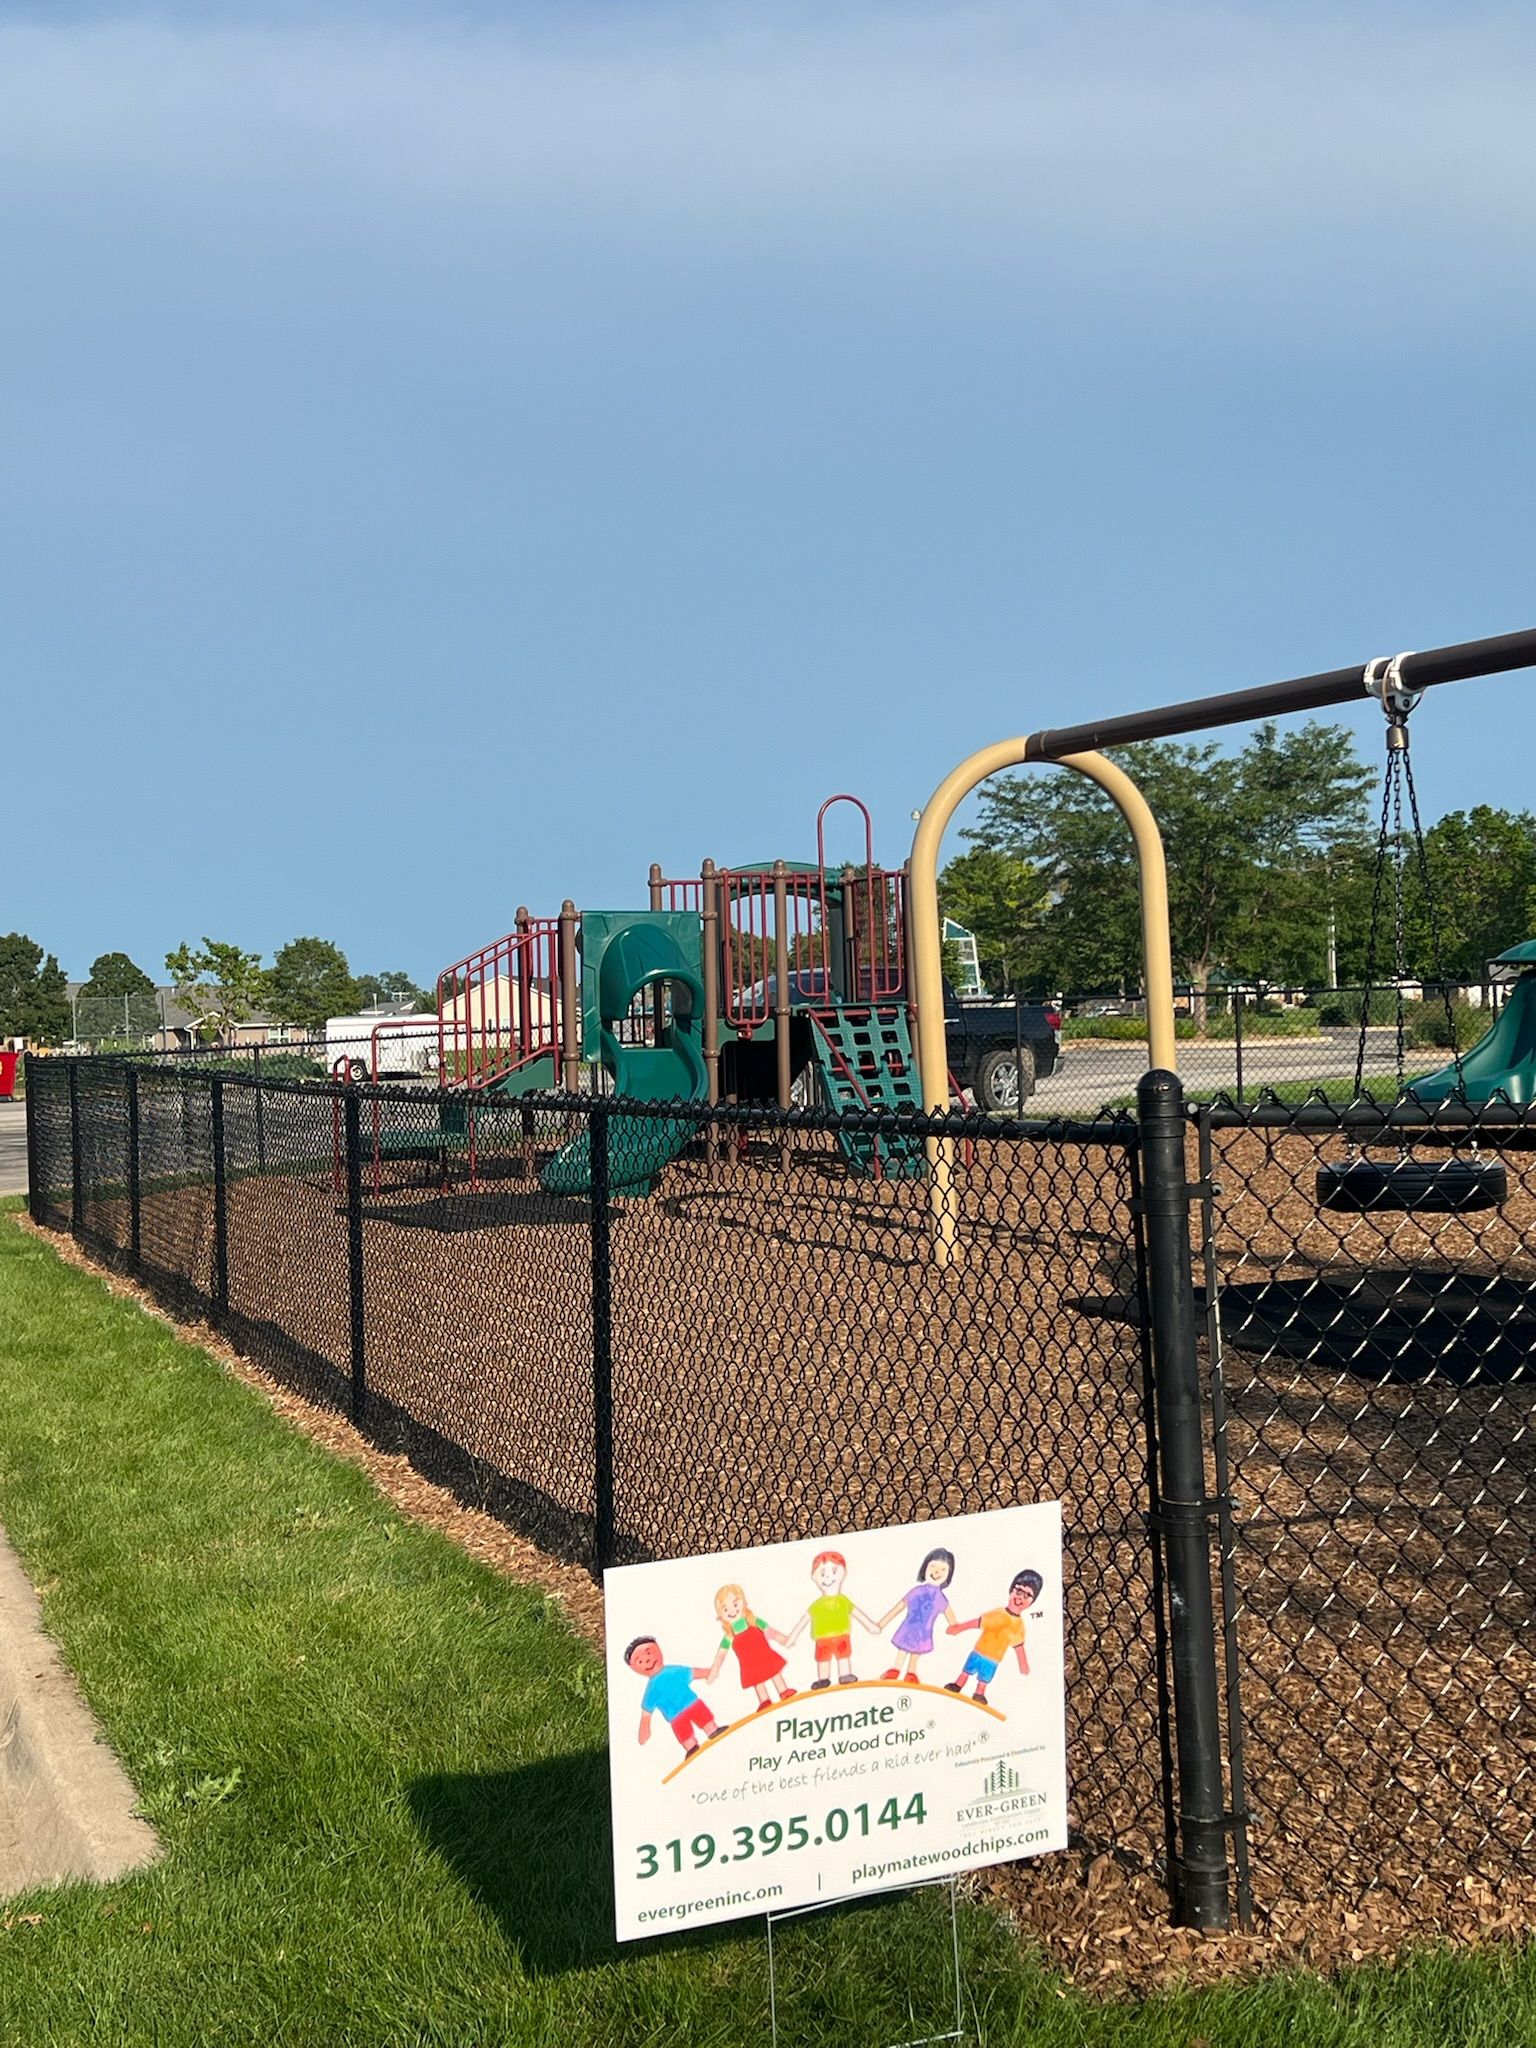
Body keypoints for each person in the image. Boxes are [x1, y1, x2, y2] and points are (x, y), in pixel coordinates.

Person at [944, 1569, 1043, 1705]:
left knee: (984, 1678)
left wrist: (1023, 1663)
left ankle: (979, 1694)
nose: (1020, 1598)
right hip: (978, 1651)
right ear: (1011, 1591)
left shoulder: (1019, 1626)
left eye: (1026, 1596)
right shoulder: (997, 1613)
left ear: (1032, 1602)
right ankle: (958, 1685)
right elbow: (978, 1623)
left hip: (993, 1659)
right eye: (1018, 1591)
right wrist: (959, 1627)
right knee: (967, 1670)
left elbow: (1018, 1646)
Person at [785, 1549, 877, 1689]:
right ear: (815, 1578)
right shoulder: (817, 1605)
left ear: (843, 1573)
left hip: (842, 1635)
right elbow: (803, 1621)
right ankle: (823, 1679)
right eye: (822, 1574)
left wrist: (870, 1625)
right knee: (823, 1658)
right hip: (822, 1638)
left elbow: (857, 1613)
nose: (828, 1578)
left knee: (843, 1656)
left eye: (834, 1572)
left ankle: (845, 1675)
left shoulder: (843, 1601)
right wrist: (792, 1637)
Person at [624, 1636, 727, 1755]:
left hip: (692, 1704)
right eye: (640, 1661)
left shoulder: (674, 1671)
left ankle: (712, 1730)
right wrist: (644, 1727)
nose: (647, 1661)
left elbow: (693, 1673)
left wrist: (709, 1673)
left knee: (704, 1718)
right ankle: (691, 1747)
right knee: (684, 1733)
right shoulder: (652, 1689)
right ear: (634, 1668)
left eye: (649, 1653)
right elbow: (647, 1711)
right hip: (676, 1716)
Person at [706, 1584, 796, 1711]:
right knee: (757, 1680)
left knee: (774, 1672)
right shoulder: (730, 1635)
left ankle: (783, 1690)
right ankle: (764, 1700)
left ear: (743, 1603)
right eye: (726, 1609)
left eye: (735, 1605)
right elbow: (721, 1654)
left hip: (765, 1655)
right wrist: (714, 1670)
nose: (732, 1611)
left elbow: (771, 1632)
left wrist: (784, 1640)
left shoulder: (753, 1621)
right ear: (721, 1615)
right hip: (750, 1663)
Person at [875, 1546, 958, 1684]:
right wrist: (881, 1624)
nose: (937, 1572)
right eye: (933, 1567)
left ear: (948, 1575)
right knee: (903, 1649)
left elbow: (950, 1615)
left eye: (943, 1569)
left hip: (923, 1632)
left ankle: (911, 1672)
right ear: (925, 1567)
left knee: (916, 1652)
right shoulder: (916, 1591)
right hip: (908, 1628)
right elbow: (899, 1607)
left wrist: (955, 1626)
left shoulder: (939, 1598)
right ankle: (895, 1669)